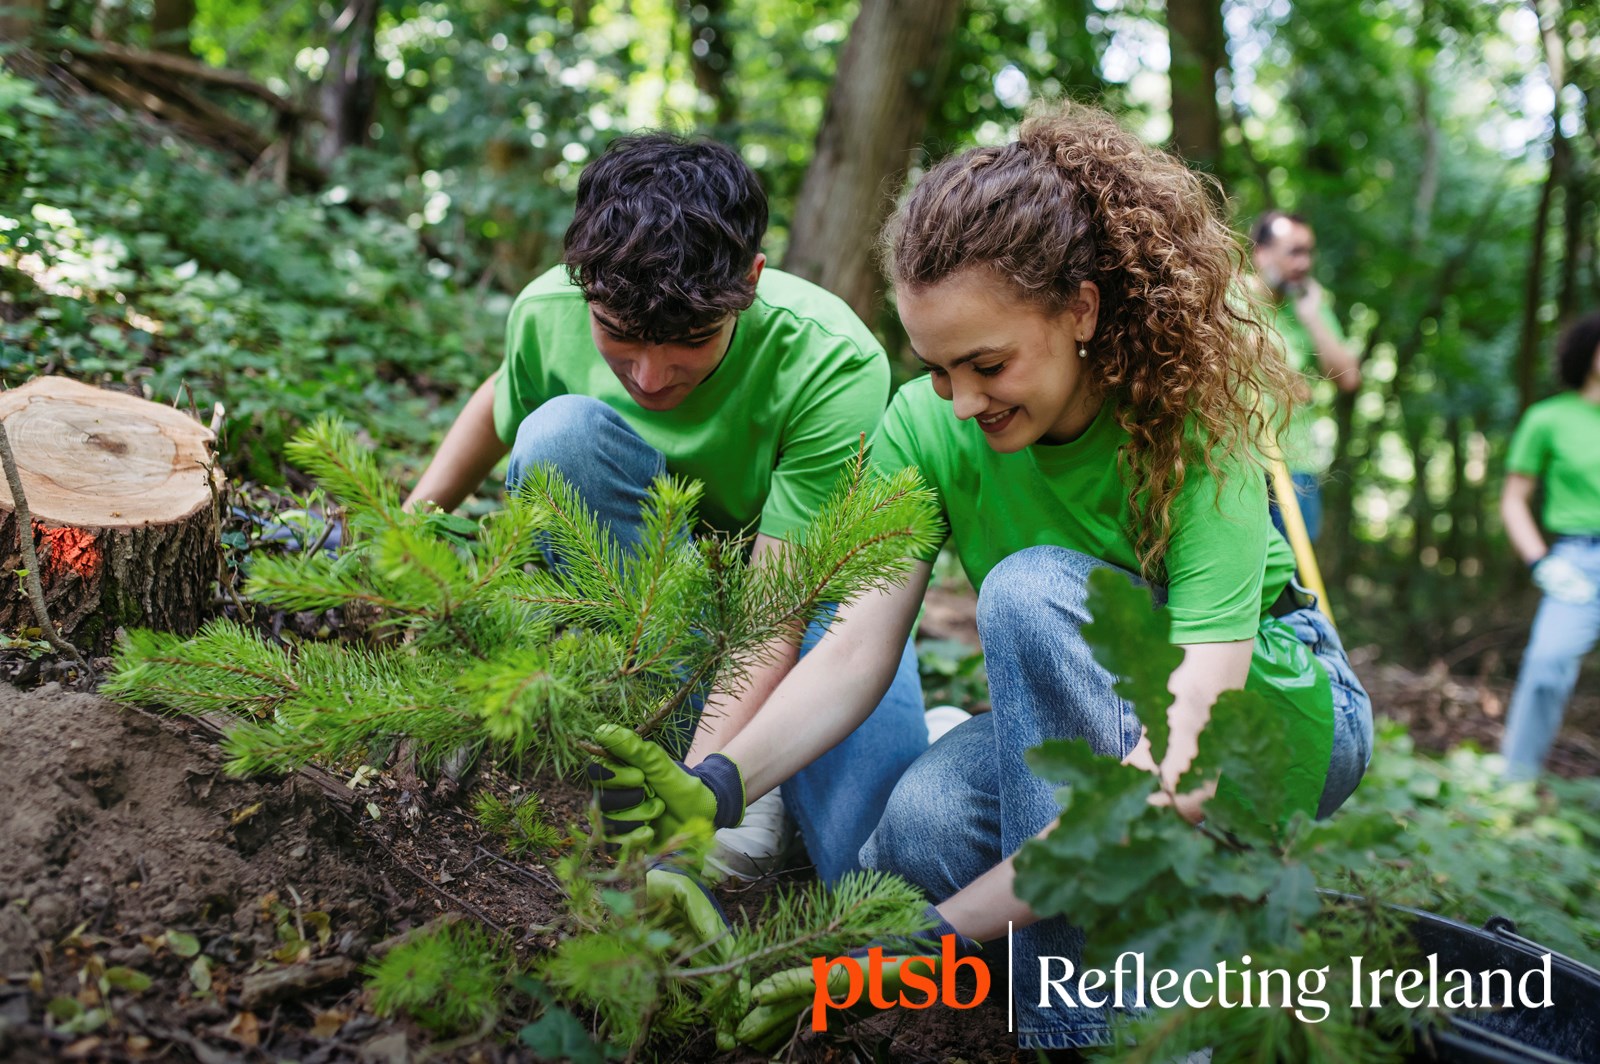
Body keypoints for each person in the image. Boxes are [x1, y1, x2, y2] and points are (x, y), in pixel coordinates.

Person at [593, 104, 1375, 1051]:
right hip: (1101, 731)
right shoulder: (927, 429)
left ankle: (1110, 1031)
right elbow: (853, 649)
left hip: (1268, 720)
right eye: (935, 368)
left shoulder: (1189, 426)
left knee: (1034, 589)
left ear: (1080, 308)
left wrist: (932, 941)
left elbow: (1185, 765)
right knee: (918, 828)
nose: (962, 402)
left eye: (989, 363)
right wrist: (718, 784)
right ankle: (1182, 927)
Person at [406, 132, 929, 882]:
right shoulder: (546, 311)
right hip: (652, 598)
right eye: (618, 337)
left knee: (869, 866)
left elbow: (773, 613)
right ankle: (740, 780)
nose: (649, 376)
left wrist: (697, 798)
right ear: (581, 279)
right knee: (559, 434)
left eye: (689, 340)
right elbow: (503, 401)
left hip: (801, 599)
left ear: (749, 281)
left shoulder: (830, 361)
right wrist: (409, 530)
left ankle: (802, 769)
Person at [1499, 311, 1600, 782]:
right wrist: (1541, 561)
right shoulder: (1548, 418)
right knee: (1545, 668)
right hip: (1576, 562)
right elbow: (1514, 500)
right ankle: (1515, 785)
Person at [1249, 210, 1362, 542]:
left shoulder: (1310, 303)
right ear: (1262, 253)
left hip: (1298, 465)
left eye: (1308, 252)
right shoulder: (1228, 296)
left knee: (1297, 577)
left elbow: (1348, 378)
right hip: (1242, 462)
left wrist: (1313, 318)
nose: (1304, 262)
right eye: (1294, 252)